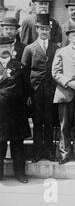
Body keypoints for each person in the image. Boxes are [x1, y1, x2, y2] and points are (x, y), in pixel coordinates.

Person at [21, 13, 58, 162]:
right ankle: (37, 152)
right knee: (37, 122)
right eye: (41, 29)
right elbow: (25, 72)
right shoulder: (29, 49)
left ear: (50, 30)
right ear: (37, 29)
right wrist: (28, 94)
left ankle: (49, 151)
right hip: (35, 91)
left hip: (51, 91)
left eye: (47, 29)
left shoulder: (56, 48)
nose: (44, 31)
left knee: (49, 121)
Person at [52, 22, 75, 164]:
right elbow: (55, 72)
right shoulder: (61, 52)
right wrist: (68, 82)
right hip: (65, 93)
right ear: (69, 37)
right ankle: (65, 152)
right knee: (64, 125)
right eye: (74, 35)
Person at [0, 35, 31, 183]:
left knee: (17, 145)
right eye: (1, 48)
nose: (3, 50)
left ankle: (20, 174)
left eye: (6, 47)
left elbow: (26, 89)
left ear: (11, 49)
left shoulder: (19, 67)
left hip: (15, 112)